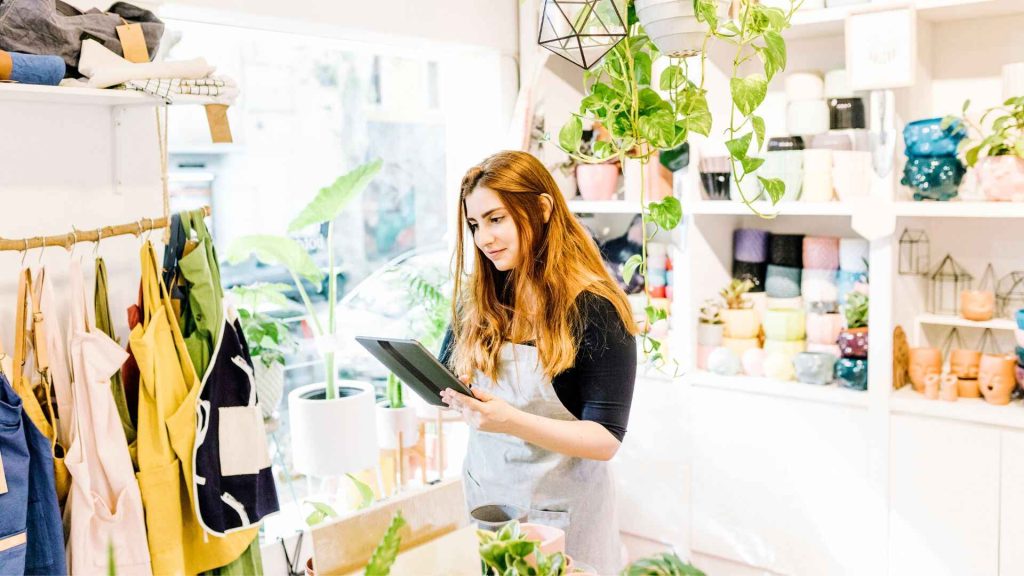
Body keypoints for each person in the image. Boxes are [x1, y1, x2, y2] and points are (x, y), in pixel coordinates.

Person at [438, 150, 638, 574]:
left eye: (496, 219)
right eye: (475, 225)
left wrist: (509, 419)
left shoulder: (595, 309)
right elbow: (448, 379)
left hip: (562, 518)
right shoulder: (480, 299)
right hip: (485, 502)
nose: (484, 238)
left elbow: (605, 440)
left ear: (542, 209)